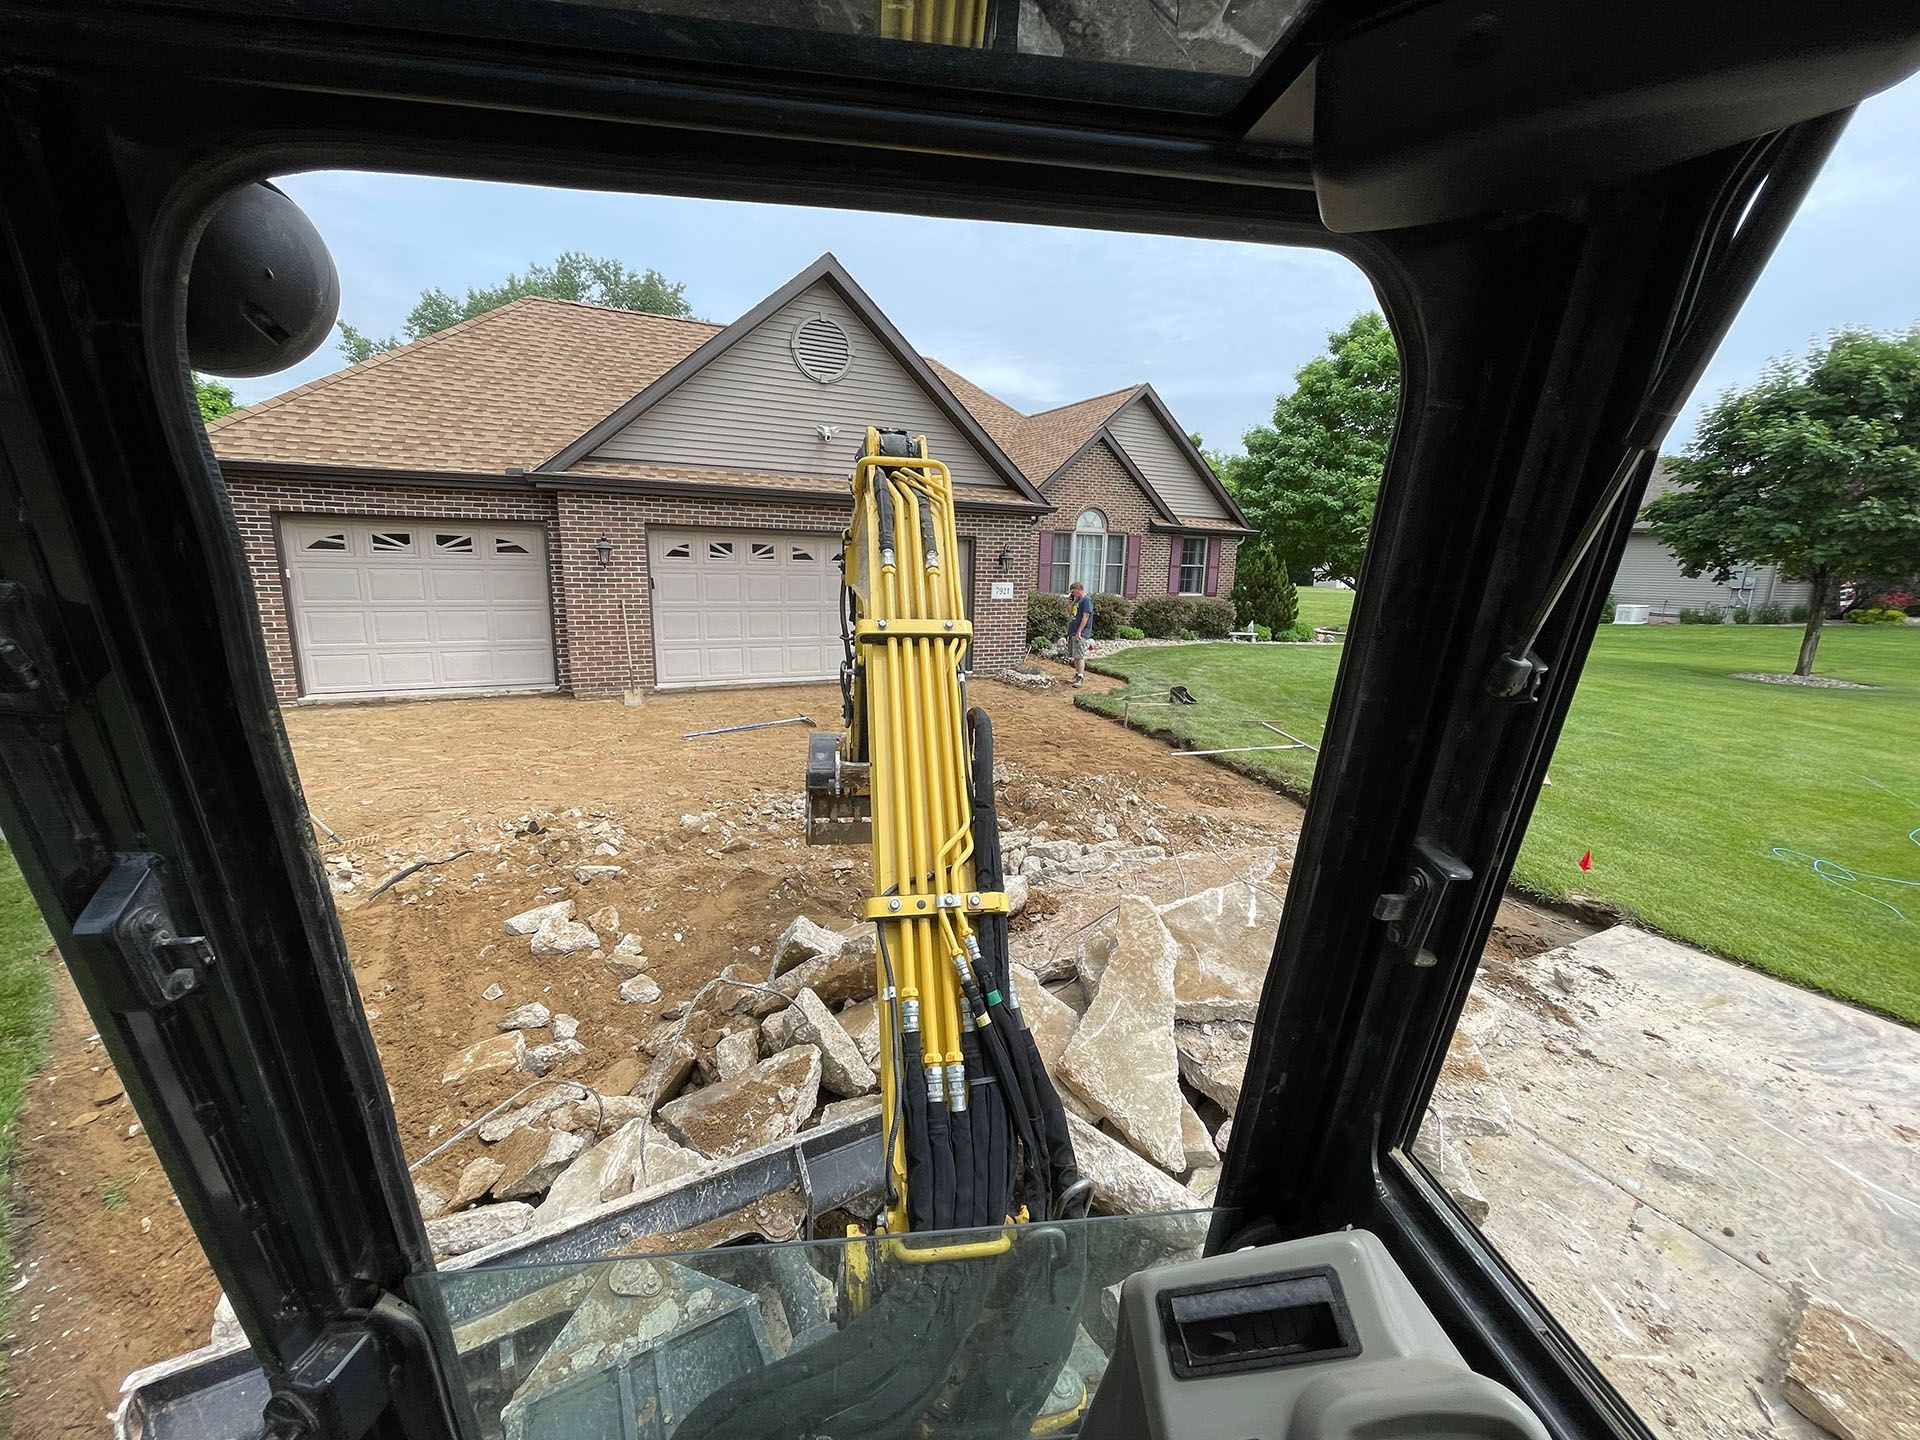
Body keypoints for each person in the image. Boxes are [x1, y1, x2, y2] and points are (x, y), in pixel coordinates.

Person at [1066, 582, 1093, 685]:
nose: (1072, 594)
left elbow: (1085, 617)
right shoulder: (1077, 600)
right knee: (1075, 655)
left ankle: (1081, 677)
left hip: (1081, 632)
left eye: (1073, 592)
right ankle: (1077, 674)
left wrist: (1079, 632)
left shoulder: (1087, 600)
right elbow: (1071, 614)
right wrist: (1069, 604)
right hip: (1073, 630)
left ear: (1078, 589)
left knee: (1080, 655)